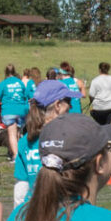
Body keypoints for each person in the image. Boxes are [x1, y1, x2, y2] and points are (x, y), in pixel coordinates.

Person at [13, 80, 73, 208]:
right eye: (69, 101)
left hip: (32, 211)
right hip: (62, 211)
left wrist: (17, 218)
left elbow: (20, 190)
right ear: (58, 105)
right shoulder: (68, 139)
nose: (71, 106)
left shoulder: (25, 141)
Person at [0, 63, 29, 160]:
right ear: (14, 72)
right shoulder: (20, 82)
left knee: (12, 134)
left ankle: (16, 157)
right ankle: (20, 154)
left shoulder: (3, 83)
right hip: (22, 110)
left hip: (9, 110)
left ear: (5, 72)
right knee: (18, 133)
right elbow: (25, 95)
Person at [88, 61, 111, 126]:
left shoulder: (95, 80)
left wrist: (91, 101)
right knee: (110, 129)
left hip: (98, 109)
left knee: (101, 128)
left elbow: (91, 95)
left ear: (99, 70)